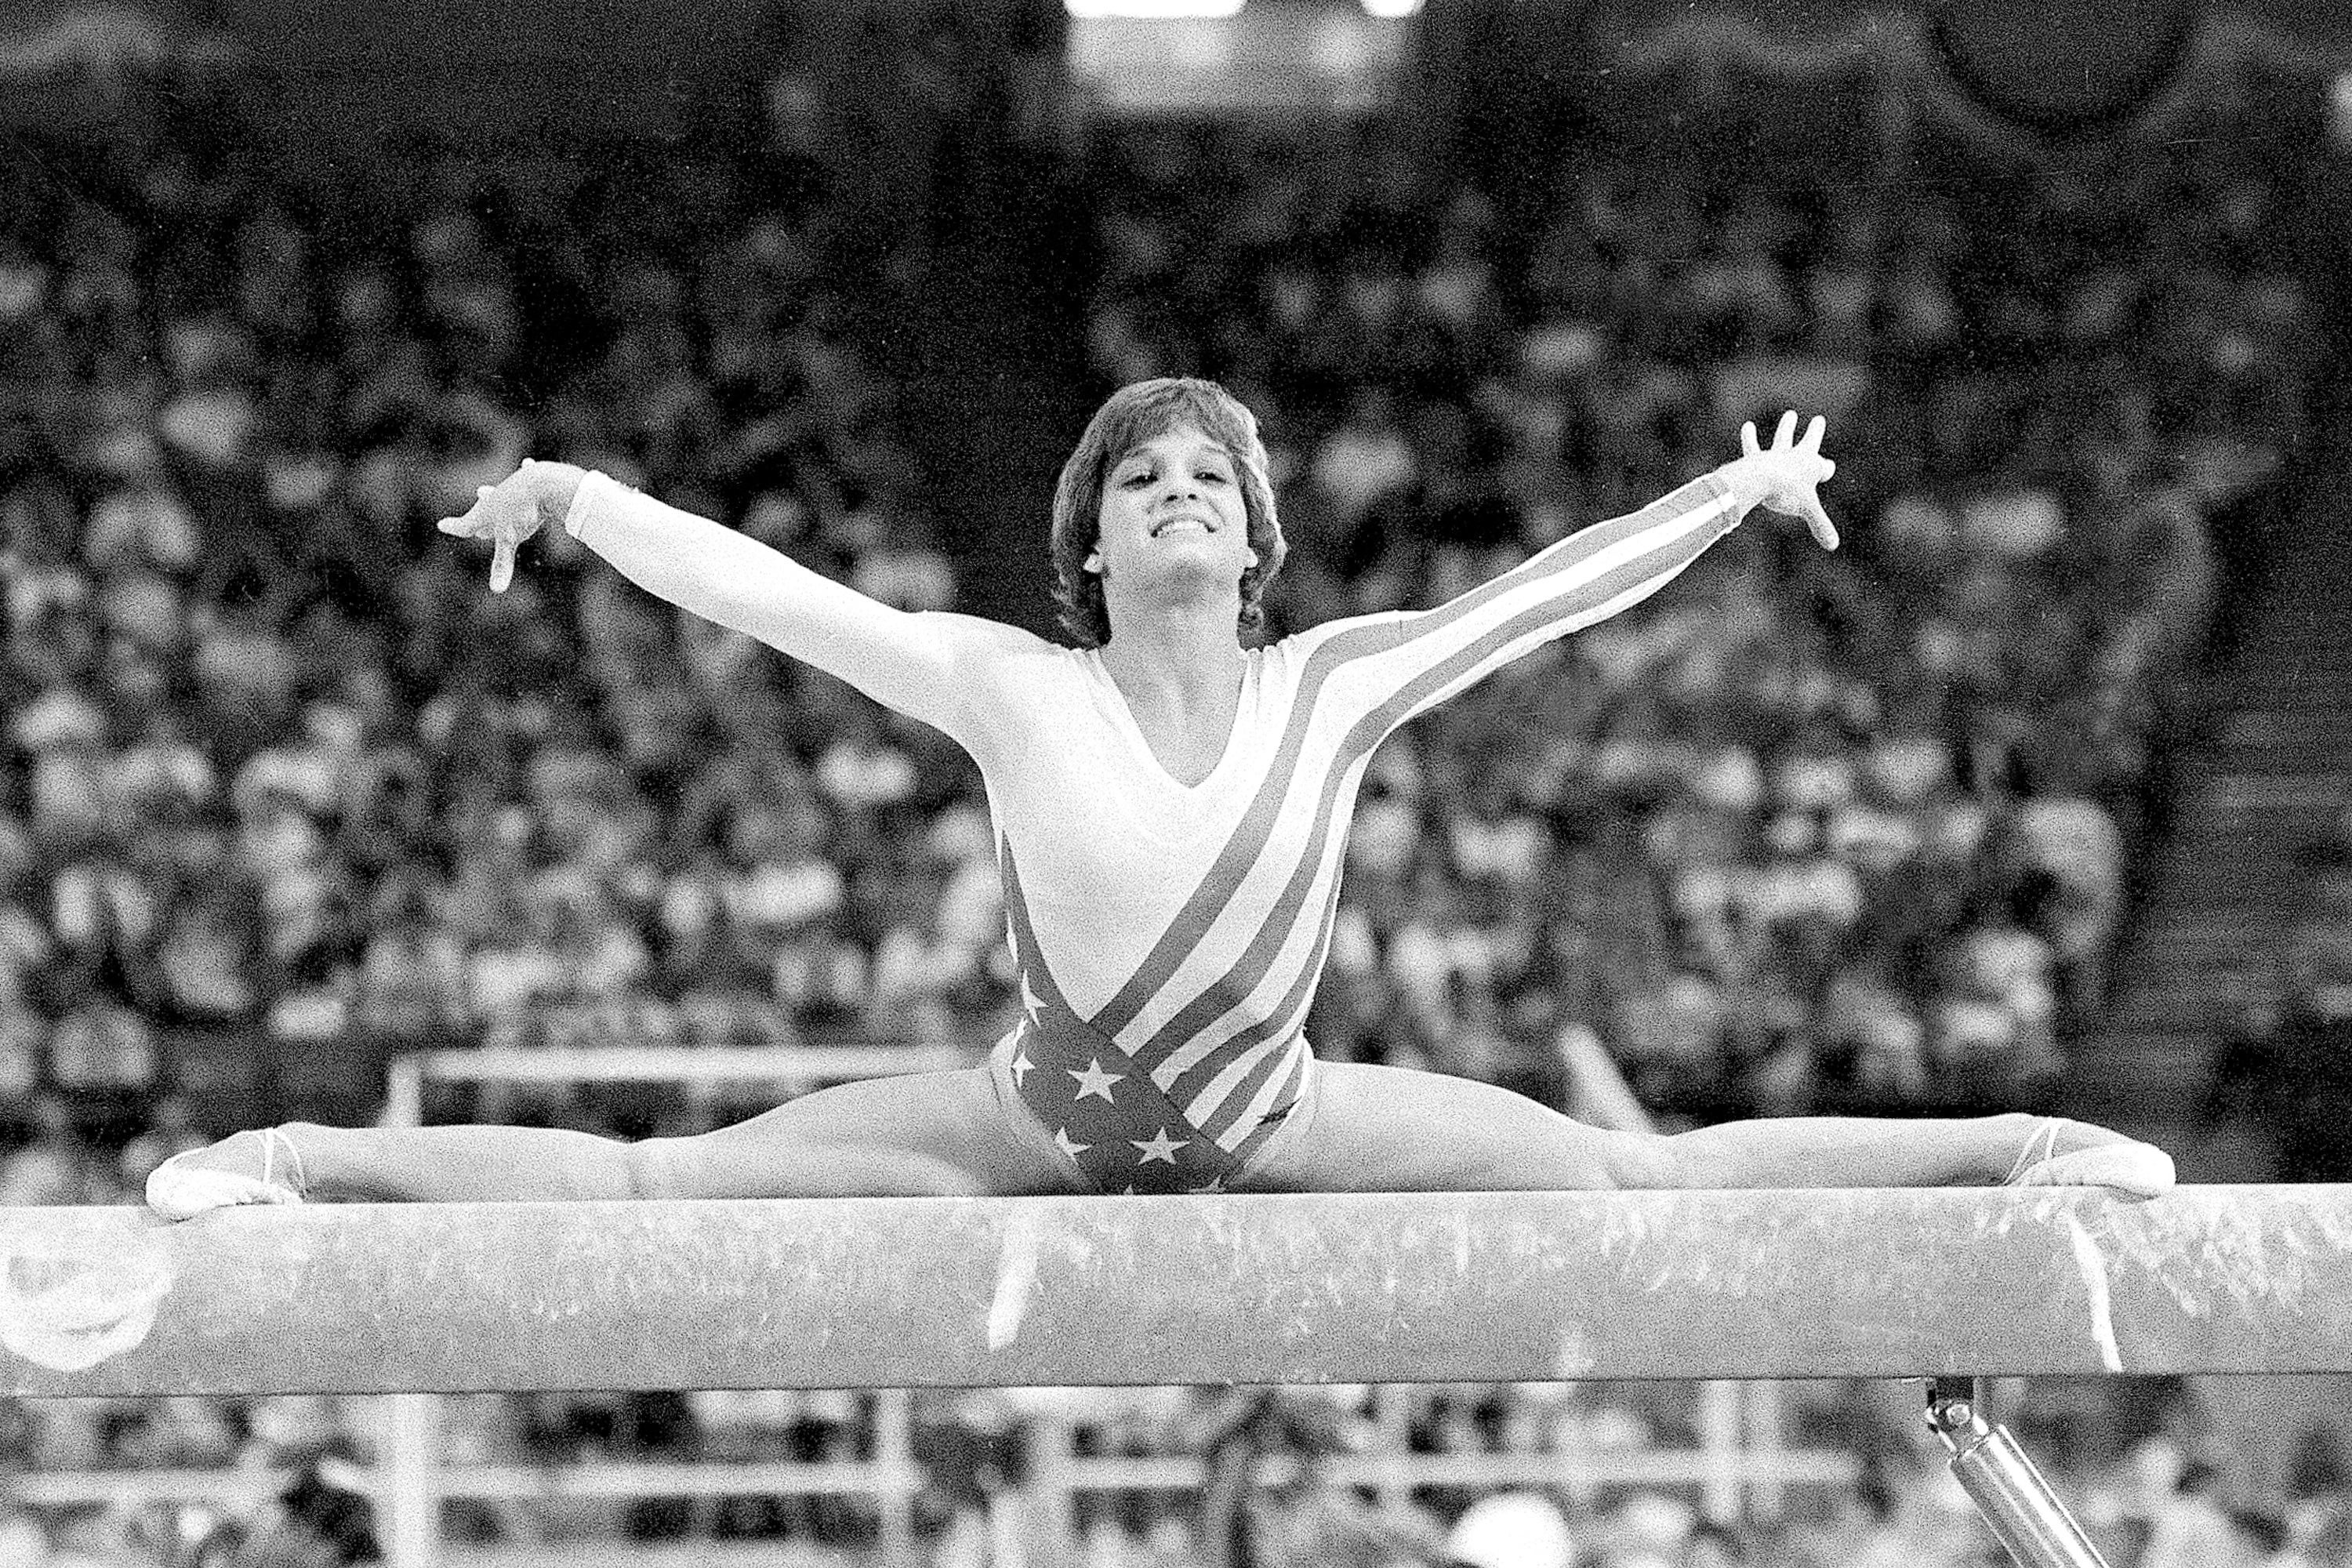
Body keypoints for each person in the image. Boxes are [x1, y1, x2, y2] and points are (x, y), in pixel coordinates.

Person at [147, 379, 2173, 1215]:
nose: (1176, 489)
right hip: (1030, 1116)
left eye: (1211, 473)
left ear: (1261, 539)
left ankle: (2027, 1148)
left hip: (1285, 1118)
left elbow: (1545, 596)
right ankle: (296, 1164)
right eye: (1140, 479)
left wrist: (1734, 496)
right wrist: (583, 500)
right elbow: (776, 599)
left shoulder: (1339, 684)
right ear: (1095, 551)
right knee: (670, 1188)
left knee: (1633, 1181)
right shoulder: (1007, 688)